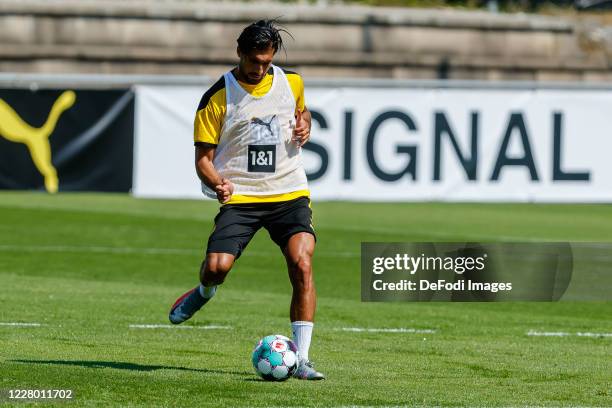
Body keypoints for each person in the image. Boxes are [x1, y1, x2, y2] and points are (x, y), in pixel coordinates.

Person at [168, 19, 324, 380]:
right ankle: (204, 292)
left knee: (302, 263)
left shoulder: (292, 81)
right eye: (255, 61)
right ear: (239, 53)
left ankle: (302, 359)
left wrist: (306, 124)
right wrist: (217, 182)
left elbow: (302, 112)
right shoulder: (217, 97)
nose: (261, 68)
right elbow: (202, 161)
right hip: (241, 197)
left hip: (289, 191)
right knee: (217, 267)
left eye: (267, 62)